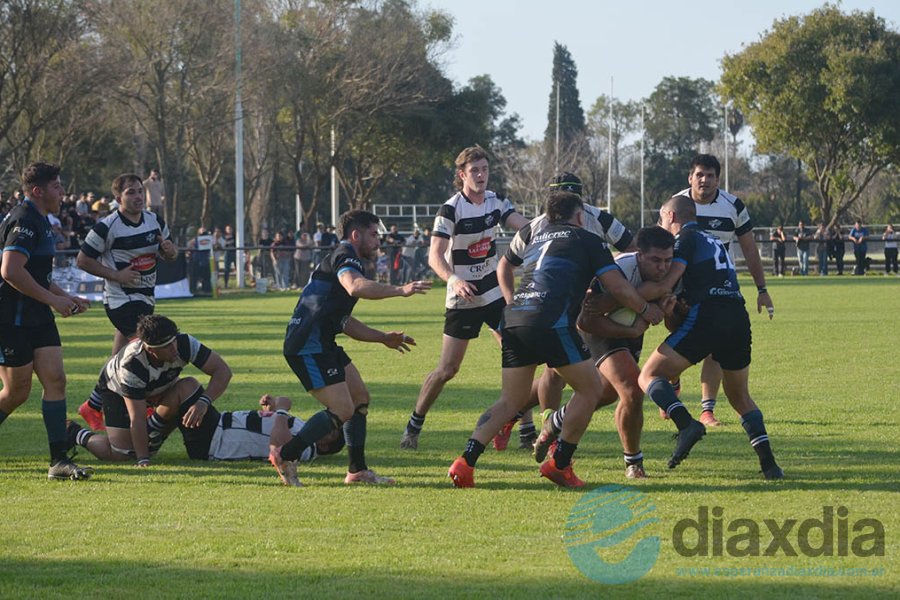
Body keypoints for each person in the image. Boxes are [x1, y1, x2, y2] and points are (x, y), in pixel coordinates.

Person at [447, 192, 662, 488]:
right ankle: (560, 464)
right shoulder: (589, 239)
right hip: (551, 320)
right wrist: (647, 310)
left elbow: (506, 266)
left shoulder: (537, 238)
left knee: (510, 401)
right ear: (580, 217)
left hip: (514, 319)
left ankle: (465, 462)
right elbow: (619, 288)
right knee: (591, 389)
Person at [270, 209, 432, 486]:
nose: (378, 241)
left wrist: (383, 337)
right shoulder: (346, 256)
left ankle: (357, 471)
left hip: (322, 342)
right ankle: (285, 455)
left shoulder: (343, 258)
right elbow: (355, 286)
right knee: (342, 409)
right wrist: (400, 290)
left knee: (359, 398)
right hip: (308, 345)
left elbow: (344, 322)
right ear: (356, 235)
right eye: (373, 234)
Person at [638, 195, 783, 480]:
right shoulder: (713, 239)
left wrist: (622, 296)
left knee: (648, 375)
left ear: (670, 216)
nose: (660, 223)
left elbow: (667, 283)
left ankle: (686, 424)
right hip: (737, 315)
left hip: (709, 315)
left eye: (661, 217)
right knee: (740, 396)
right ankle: (770, 466)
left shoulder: (684, 240)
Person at [399, 145, 530, 451]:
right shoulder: (451, 209)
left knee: (520, 354)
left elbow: (524, 226)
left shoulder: (496, 201)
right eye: (475, 171)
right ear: (462, 175)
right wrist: (454, 280)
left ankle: (526, 431)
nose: (481, 176)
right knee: (448, 369)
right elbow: (434, 256)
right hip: (464, 296)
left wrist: (550, 228)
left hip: (493, 290)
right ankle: (414, 425)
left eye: (484, 169)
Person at [534, 226, 676, 480]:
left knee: (606, 393)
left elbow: (670, 323)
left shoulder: (672, 272)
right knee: (632, 388)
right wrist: (632, 328)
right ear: (639, 255)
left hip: (629, 331)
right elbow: (585, 322)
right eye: (656, 260)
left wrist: (668, 310)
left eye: (667, 260)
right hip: (598, 329)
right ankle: (634, 464)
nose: (662, 267)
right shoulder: (618, 271)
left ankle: (555, 422)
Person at [0, 162, 93, 480]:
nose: (62, 191)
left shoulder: (41, 219)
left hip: (37, 315)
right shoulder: (24, 220)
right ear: (38, 191)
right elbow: (10, 271)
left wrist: (65, 296)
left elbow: (38, 274)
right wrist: (54, 301)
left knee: (56, 379)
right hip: (10, 317)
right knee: (16, 392)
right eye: (56, 186)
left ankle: (58, 461)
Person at [673, 154, 773, 428]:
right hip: (682, 286)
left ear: (718, 179)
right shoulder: (677, 203)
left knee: (714, 346)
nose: (704, 180)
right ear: (690, 177)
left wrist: (762, 289)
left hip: (718, 288)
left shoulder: (733, 206)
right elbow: (662, 242)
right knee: (676, 336)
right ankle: (672, 380)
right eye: (699, 175)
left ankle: (707, 410)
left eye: (710, 176)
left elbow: (749, 249)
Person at [72, 314, 232, 467]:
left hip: (157, 387)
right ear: (150, 350)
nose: (174, 349)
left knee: (189, 386)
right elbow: (137, 418)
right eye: (167, 346)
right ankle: (74, 433)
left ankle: (152, 435)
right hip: (116, 392)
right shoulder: (132, 365)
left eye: (173, 341)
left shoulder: (184, 343)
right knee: (123, 454)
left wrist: (203, 401)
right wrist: (143, 459)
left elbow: (222, 370)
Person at [67, 394, 344, 478]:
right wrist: (271, 410)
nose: (321, 423)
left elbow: (279, 446)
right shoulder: (305, 430)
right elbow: (266, 430)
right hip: (218, 427)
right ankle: (77, 433)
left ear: (327, 441)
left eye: (328, 428)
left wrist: (282, 411)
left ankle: (136, 428)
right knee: (182, 392)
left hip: (215, 440)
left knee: (186, 388)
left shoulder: (306, 449)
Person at [76, 173, 178, 355]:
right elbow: (82, 260)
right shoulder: (106, 227)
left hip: (146, 296)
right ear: (118, 199)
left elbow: (171, 256)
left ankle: (108, 375)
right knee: (151, 346)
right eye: (131, 192)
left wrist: (171, 252)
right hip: (121, 299)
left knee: (120, 356)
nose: (138, 196)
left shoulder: (155, 221)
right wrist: (116, 275)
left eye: (140, 191)